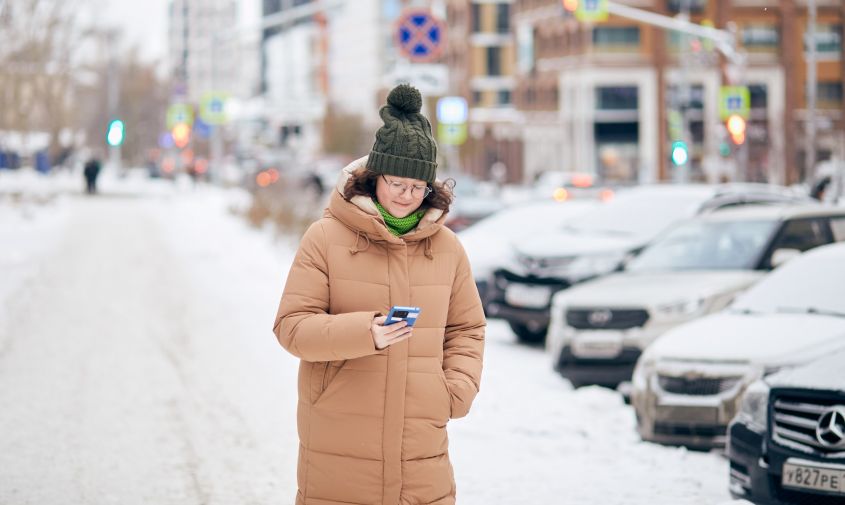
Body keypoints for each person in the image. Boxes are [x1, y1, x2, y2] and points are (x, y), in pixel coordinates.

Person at [273, 84, 485, 505]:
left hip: (420, 442)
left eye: (418, 187)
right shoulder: (326, 238)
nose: (408, 197)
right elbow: (291, 327)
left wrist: (454, 390)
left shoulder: (446, 248)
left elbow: (467, 328)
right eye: (397, 184)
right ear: (375, 178)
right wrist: (365, 332)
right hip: (339, 434)